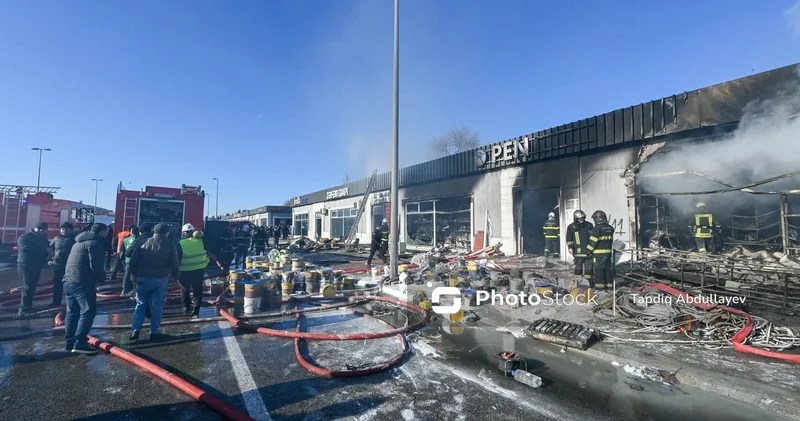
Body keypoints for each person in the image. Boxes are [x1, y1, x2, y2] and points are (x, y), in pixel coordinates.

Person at [129, 223, 180, 342]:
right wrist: (176, 278)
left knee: (141, 304)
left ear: (154, 232)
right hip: (160, 279)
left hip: (142, 278)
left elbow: (133, 260)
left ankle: (135, 331)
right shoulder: (170, 245)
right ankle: (154, 332)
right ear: (166, 233)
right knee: (157, 306)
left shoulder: (142, 242)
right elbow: (175, 264)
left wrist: (133, 274)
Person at [62, 223, 108, 354]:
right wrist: (101, 279)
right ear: (102, 232)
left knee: (72, 313)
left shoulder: (78, 242)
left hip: (69, 281)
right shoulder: (95, 243)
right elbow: (96, 265)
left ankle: (69, 342)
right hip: (83, 283)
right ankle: (80, 343)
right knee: (88, 311)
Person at [177, 224, 223, 318]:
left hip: (184, 270)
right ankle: (196, 309)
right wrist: (219, 264)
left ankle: (186, 306)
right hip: (199, 269)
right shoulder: (201, 241)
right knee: (197, 289)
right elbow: (211, 251)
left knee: (185, 289)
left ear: (183, 233)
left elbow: (176, 258)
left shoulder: (180, 243)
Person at [16, 222, 50, 316]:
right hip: (26, 265)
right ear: (38, 229)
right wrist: (44, 250)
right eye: (43, 230)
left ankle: (28, 307)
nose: (44, 232)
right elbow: (25, 249)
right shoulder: (25, 237)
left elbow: (47, 246)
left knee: (32, 286)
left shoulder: (43, 237)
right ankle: (24, 310)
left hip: (37, 265)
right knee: (27, 286)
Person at [586, 210, 615, 290]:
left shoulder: (597, 228)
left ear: (597, 218)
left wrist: (588, 251)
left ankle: (600, 287)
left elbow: (593, 241)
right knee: (607, 269)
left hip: (598, 254)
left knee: (599, 270)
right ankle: (609, 286)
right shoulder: (610, 228)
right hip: (608, 253)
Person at [48, 222, 76, 306]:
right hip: (56, 264)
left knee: (70, 284)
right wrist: (49, 259)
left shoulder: (75, 239)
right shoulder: (56, 238)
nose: (64, 231)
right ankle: (56, 302)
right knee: (57, 285)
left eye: (66, 229)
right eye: (62, 229)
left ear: (71, 230)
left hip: (69, 265)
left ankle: (71, 303)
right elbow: (50, 249)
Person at [566, 210, 594, 288]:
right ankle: (578, 283)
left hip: (588, 251)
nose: (581, 220)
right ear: (575, 218)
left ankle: (589, 284)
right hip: (577, 252)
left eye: (582, 218)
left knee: (589, 269)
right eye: (579, 218)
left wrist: (592, 248)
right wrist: (570, 247)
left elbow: (593, 238)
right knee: (578, 269)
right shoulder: (571, 227)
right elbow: (569, 239)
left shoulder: (589, 225)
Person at [119, 226, 139, 297]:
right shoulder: (139, 239)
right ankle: (135, 291)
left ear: (131, 231)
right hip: (137, 261)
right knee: (136, 276)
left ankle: (124, 290)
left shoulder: (125, 239)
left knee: (127, 275)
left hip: (128, 260)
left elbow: (123, 251)